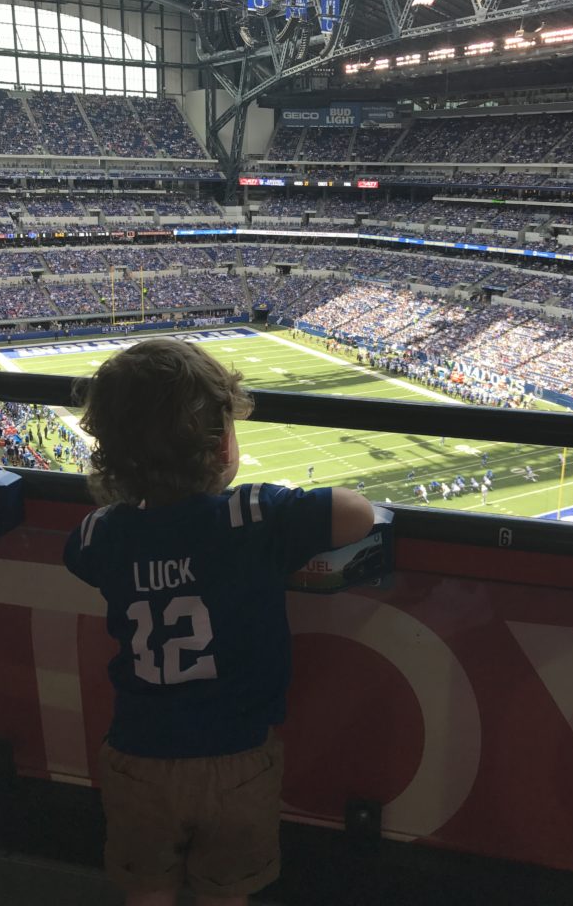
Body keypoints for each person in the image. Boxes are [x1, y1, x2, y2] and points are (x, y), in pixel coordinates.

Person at [63, 338, 374, 906]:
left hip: (136, 753)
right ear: (219, 444)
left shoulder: (99, 534)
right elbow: (357, 512)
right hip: (236, 758)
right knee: (226, 894)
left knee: (147, 889)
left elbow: (85, 554)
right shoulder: (249, 518)